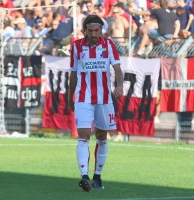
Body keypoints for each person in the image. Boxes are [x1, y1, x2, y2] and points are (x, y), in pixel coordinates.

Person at [68, 15, 123, 192]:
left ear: (101, 30)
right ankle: (84, 176)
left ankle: (97, 176)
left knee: (101, 136)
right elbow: (74, 74)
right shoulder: (76, 46)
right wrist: (71, 96)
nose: (93, 34)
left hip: (104, 98)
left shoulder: (109, 45)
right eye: (90, 31)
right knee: (83, 135)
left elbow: (117, 69)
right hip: (83, 97)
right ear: (84, 30)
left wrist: (119, 85)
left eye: (96, 30)